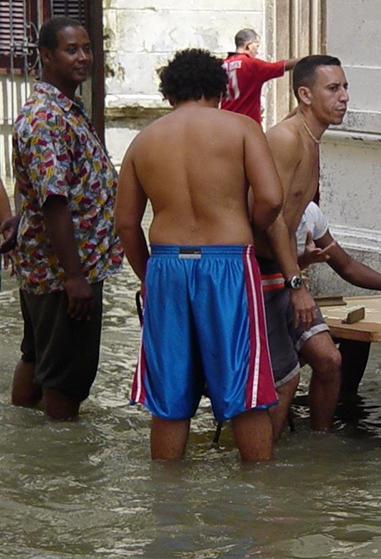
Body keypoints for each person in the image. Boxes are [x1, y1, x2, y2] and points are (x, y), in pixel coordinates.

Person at [115, 48, 284, 461]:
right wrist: (249, 224)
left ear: (169, 94)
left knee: (168, 397)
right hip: (227, 262)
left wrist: (147, 276)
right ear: (220, 90)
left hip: (167, 264)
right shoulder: (242, 128)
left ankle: (167, 506)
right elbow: (271, 198)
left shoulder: (143, 141)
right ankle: (259, 498)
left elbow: (125, 224)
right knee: (243, 390)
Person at [10, 17, 124, 421]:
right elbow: (55, 200)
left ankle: (26, 434)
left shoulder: (63, 108)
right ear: (46, 55)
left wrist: (20, 219)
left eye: (87, 48)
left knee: (38, 356)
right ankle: (62, 460)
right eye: (71, 50)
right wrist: (74, 277)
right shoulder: (47, 118)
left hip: (52, 265)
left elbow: (39, 186)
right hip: (64, 271)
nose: (83, 57)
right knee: (64, 377)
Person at [254, 55, 348, 438]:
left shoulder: (312, 140)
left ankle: (317, 452)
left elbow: (291, 215)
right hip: (261, 275)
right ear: (305, 94)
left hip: (284, 268)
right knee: (284, 381)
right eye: (333, 88)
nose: (344, 97)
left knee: (329, 361)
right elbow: (267, 215)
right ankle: (265, 469)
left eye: (345, 88)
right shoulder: (286, 138)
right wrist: (297, 283)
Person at [294, 201, 381, 395]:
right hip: (270, 294)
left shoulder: (311, 212)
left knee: (345, 344)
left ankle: (344, 403)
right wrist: (300, 267)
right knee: (286, 373)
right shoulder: (268, 207)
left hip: (297, 297)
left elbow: (346, 265)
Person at [220, 28, 300, 124]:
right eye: (257, 46)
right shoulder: (251, 64)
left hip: (224, 123)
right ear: (248, 46)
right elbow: (281, 66)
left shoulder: (222, 65)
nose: (256, 52)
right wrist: (310, 59)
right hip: (247, 125)